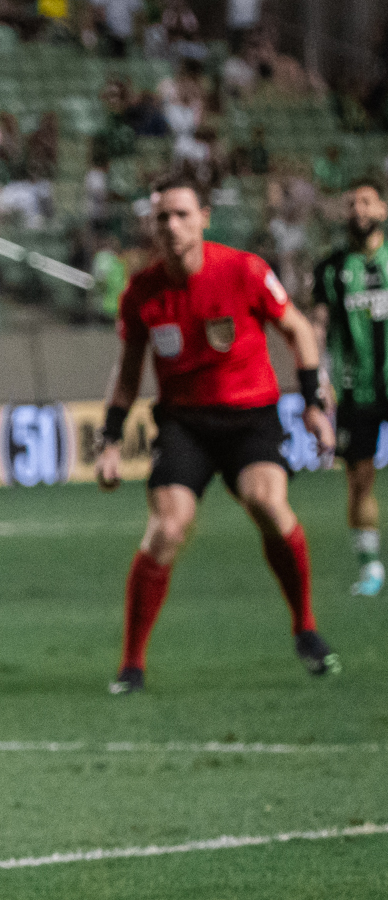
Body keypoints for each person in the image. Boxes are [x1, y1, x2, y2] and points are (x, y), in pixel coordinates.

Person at [96, 172, 338, 693]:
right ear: (152, 225)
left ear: (205, 218)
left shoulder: (245, 270)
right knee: (167, 529)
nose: (172, 226)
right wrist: (110, 440)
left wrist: (315, 401)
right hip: (185, 423)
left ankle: (306, 627)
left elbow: (297, 329)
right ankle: (132, 664)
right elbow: (128, 371)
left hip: (250, 417)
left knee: (268, 505)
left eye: (183, 214)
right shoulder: (142, 292)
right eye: (162, 217)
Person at [309, 181, 388, 597]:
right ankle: (371, 567)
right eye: (351, 202)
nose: (358, 208)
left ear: (383, 209)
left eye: (366, 201)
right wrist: (319, 376)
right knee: (359, 479)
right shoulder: (331, 269)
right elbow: (318, 329)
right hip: (357, 390)